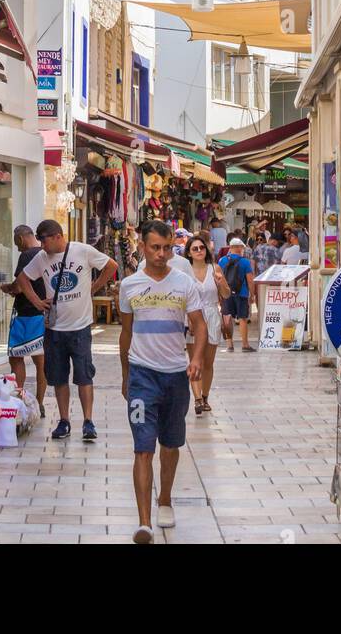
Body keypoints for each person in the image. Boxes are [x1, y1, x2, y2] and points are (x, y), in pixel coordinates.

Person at [119, 221, 207, 545]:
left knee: (170, 445)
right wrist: (126, 375)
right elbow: (125, 333)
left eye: (167, 248)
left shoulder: (184, 283)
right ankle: (144, 523)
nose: (161, 254)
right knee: (143, 447)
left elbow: (199, 326)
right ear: (142, 246)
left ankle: (165, 499)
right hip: (142, 374)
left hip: (175, 376)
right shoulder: (129, 285)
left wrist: (196, 358)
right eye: (155, 247)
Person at [16, 220, 117, 442]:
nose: (42, 245)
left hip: (80, 327)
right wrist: (36, 302)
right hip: (55, 329)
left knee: (84, 376)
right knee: (59, 377)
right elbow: (22, 279)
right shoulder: (41, 258)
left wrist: (94, 287)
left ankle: (88, 421)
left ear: (57, 236)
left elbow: (111, 266)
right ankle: (64, 421)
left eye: (44, 240)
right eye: (40, 240)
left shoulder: (82, 250)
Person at [2, 225, 47, 416]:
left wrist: (8, 288)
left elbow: (20, 285)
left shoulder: (27, 255)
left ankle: (19, 398)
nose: (17, 247)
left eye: (16, 241)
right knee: (41, 362)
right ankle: (40, 403)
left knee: (16, 358)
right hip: (42, 315)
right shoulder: (45, 253)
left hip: (26, 315)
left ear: (20, 238)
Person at [183, 234, 229, 415]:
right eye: (195, 249)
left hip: (211, 315)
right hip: (192, 316)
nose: (199, 251)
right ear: (189, 253)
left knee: (208, 362)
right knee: (195, 361)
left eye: (202, 248)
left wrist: (221, 283)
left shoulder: (215, 269)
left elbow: (225, 295)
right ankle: (197, 399)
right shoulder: (185, 273)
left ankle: (206, 395)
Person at [218, 239, 256, 352]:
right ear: (239, 247)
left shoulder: (222, 260)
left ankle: (229, 345)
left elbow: (218, 278)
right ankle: (245, 345)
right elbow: (250, 280)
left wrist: (219, 293)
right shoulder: (245, 262)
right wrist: (252, 294)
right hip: (242, 293)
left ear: (230, 247)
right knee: (243, 319)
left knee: (227, 318)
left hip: (226, 293)